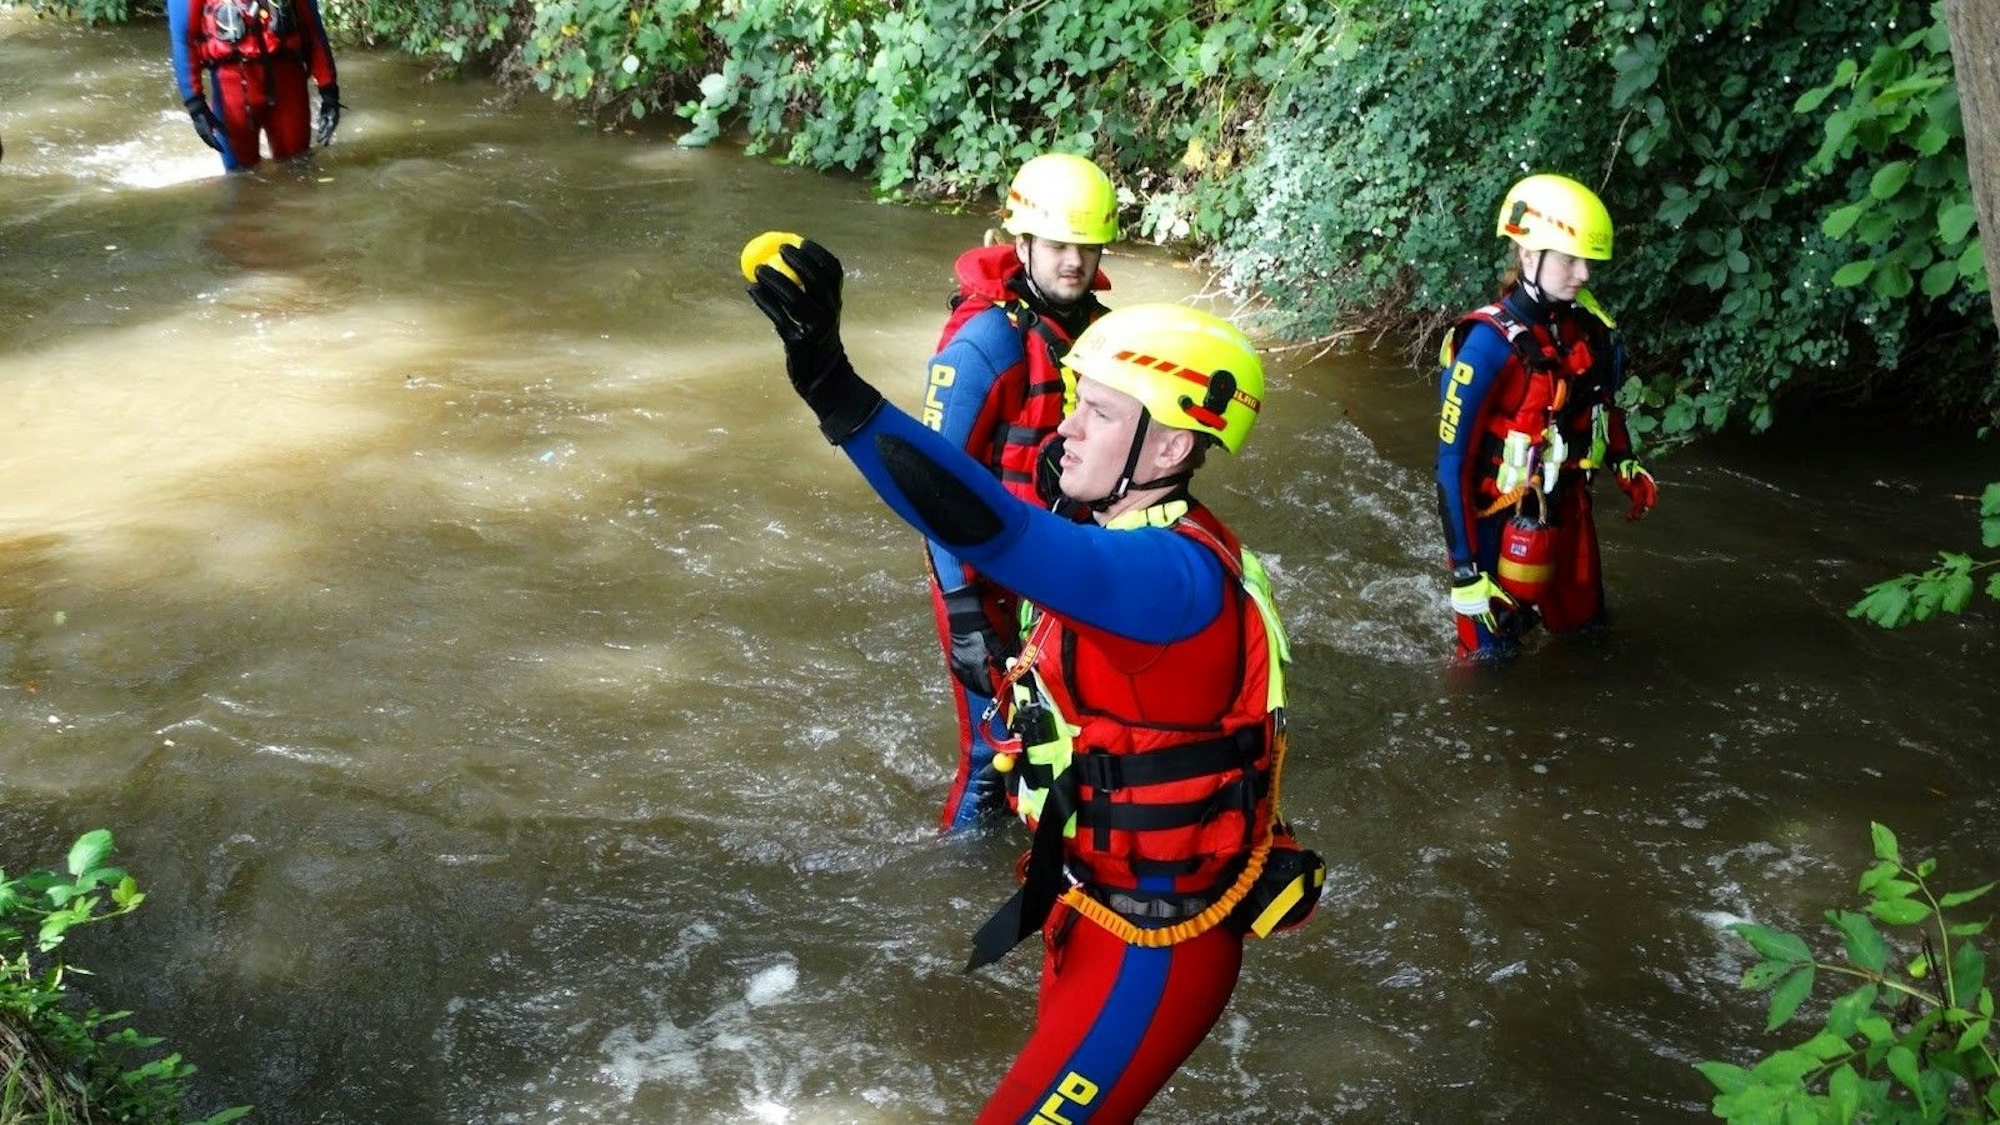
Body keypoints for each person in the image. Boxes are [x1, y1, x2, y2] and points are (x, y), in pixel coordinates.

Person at [747, 240, 1322, 1121]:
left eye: (1095, 413)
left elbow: (994, 531)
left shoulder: (1172, 579)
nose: (1066, 430)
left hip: (1155, 952)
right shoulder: (1140, 531)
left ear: (1167, 442)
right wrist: (1074, 490)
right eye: (1074, 405)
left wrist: (837, 390)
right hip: (1094, 914)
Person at [923, 152, 1118, 832]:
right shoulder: (984, 345)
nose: (1074, 261)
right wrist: (964, 606)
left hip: (1064, 568)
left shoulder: (1102, 337)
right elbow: (929, 486)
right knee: (992, 755)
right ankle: (956, 884)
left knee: (1073, 741)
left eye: (1086, 247)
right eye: (1059, 245)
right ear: (1022, 242)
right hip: (985, 580)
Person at [1434, 172, 1659, 660]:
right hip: (1501, 525)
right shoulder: (1486, 345)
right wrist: (1465, 573)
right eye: (1570, 260)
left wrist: (1624, 460)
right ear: (1528, 254)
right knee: (1490, 669)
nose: (1584, 274)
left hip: (1570, 514)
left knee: (1590, 644)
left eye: (1588, 261)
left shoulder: (1586, 329)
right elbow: (1450, 466)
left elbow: (1600, 403)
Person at [168, 0, 341, 172]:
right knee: (242, 182)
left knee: (297, 170)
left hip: (288, 86)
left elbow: (313, 27)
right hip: (232, 91)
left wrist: (329, 92)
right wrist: (196, 106)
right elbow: (183, 40)